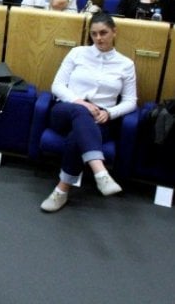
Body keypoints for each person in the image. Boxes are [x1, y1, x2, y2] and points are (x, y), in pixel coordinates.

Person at [41, 12, 137, 212]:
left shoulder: (126, 64)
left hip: (100, 118)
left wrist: (110, 113)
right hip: (66, 110)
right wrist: (80, 102)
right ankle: (100, 172)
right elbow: (57, 86)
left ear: (114, 32)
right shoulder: (77, 53)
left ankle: (61, 190)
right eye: (94, 34)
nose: (99, 38)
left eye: (103, 33)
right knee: (80, 112)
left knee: (78, 135)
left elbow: (130, 101)